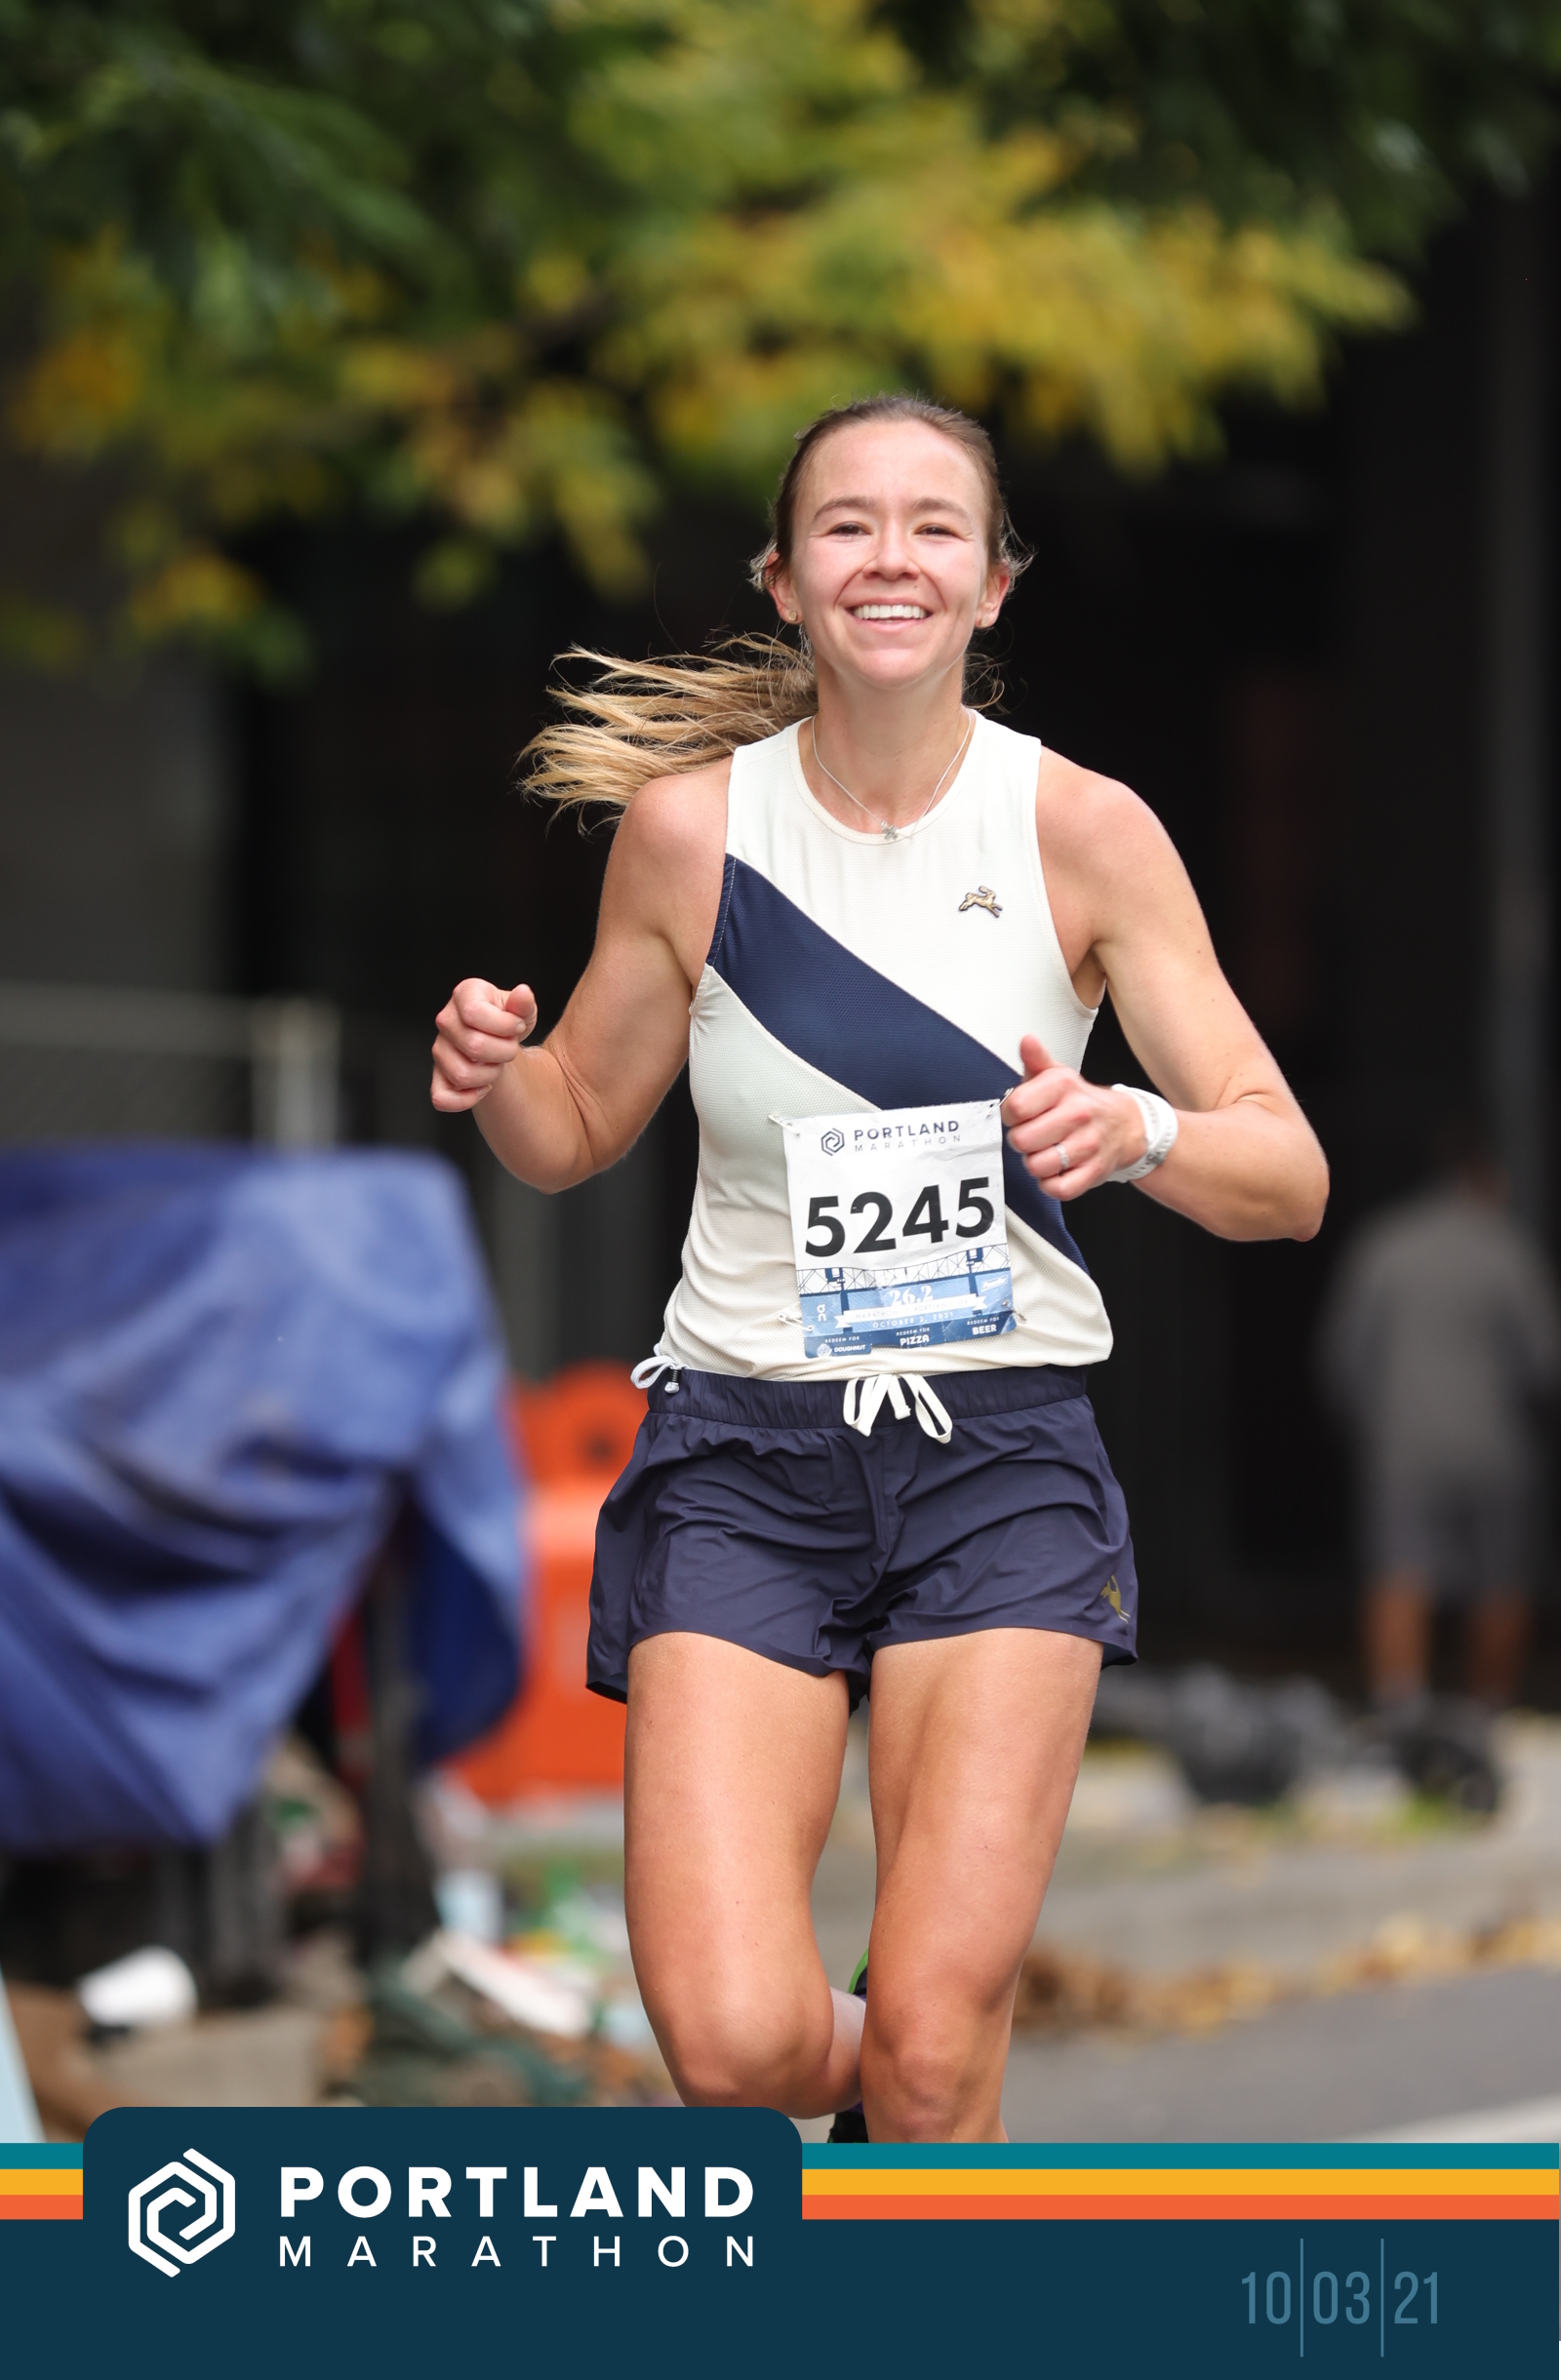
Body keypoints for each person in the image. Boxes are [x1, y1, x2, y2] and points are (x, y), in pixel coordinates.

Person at [430, 395, 1328, 2143]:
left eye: (936, 527)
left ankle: (932, 2133)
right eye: (847, 525)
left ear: (995, 584)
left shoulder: (1084, 831)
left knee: (927, 2045)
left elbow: (1285, 1176)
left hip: (998, 1455)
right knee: (739, 2050)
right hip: (742, 1454)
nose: (890, 558)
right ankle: (940, 2128)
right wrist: (494, 1075)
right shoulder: (690, 835)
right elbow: (575, 1125)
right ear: (784, 579)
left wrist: (1136, 1131)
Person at [1320, 1133, 1559, 1710]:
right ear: (1488, 1179)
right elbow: (1545, 1363)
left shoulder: (1383, 1244)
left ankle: (1399, 1711)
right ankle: (1488, 1711)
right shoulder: (1508, 1249)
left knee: (1399, 1572)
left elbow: (1342, 1358)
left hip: (1403, 1449)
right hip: (1495, 1447)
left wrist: (1375, 1429)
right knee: (1502, 1580)